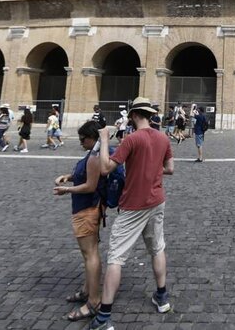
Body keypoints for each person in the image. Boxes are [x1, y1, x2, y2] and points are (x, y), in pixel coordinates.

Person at [90, 97, 174, 329]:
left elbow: (106, 168)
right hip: (157, 201)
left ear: (135, 115)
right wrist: (152, 167)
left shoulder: (131, 140)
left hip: (133, 205)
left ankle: (104, 316)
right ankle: (162, 296)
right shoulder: (163, 137)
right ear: (149, 114)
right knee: (157, 248)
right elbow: (170, 169)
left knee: (116, 257)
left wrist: (105, 139)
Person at [53, 120, 104, 322]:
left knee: (90, 254)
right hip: (88, 208)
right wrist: (69, 176)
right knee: (88, 254)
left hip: (87, 210)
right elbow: (85, 176)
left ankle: (93, 301)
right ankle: (87, 290)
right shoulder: (94, 153)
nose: (81, 142)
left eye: (83, 139)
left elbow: (90, 185)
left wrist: (66, 190)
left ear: (92, 138)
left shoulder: (95, 156)